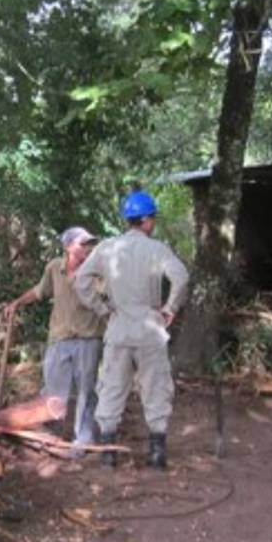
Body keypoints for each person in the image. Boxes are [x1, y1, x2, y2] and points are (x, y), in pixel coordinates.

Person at [73, 191, 189, 469]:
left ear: (128, 219)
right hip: (150, 328)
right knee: (156, 388)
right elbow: (181, 277)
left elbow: (81, 282)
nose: (154, 224)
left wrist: (102, 309)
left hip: (119, 327)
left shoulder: (107, 248)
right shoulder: (157, 249)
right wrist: (170, 307)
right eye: (153, 219)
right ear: (147, 220)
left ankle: (109, 455)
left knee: (112, 386)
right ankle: (157, 456)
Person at [6, 226, 106, 457]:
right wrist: (17, 303)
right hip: (59, 339)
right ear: (68, 247)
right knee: (53, 390)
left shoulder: (97, 271)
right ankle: (51, 436)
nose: (88, 248)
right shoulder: (54, 268)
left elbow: (107, 296)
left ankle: (83, 440)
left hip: (88, 339)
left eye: (90, 243)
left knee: (85, 391)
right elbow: (40, 291)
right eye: (83, 244)